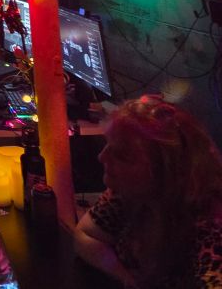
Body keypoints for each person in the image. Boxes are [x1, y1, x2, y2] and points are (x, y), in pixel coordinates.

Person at [74, 94, 222, 288]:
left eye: (121, 155)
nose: (102, 157)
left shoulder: (210, 227)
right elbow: (85, 235)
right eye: (107, 144)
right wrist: (126, 278)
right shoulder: (126, 191)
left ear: (166, 171)